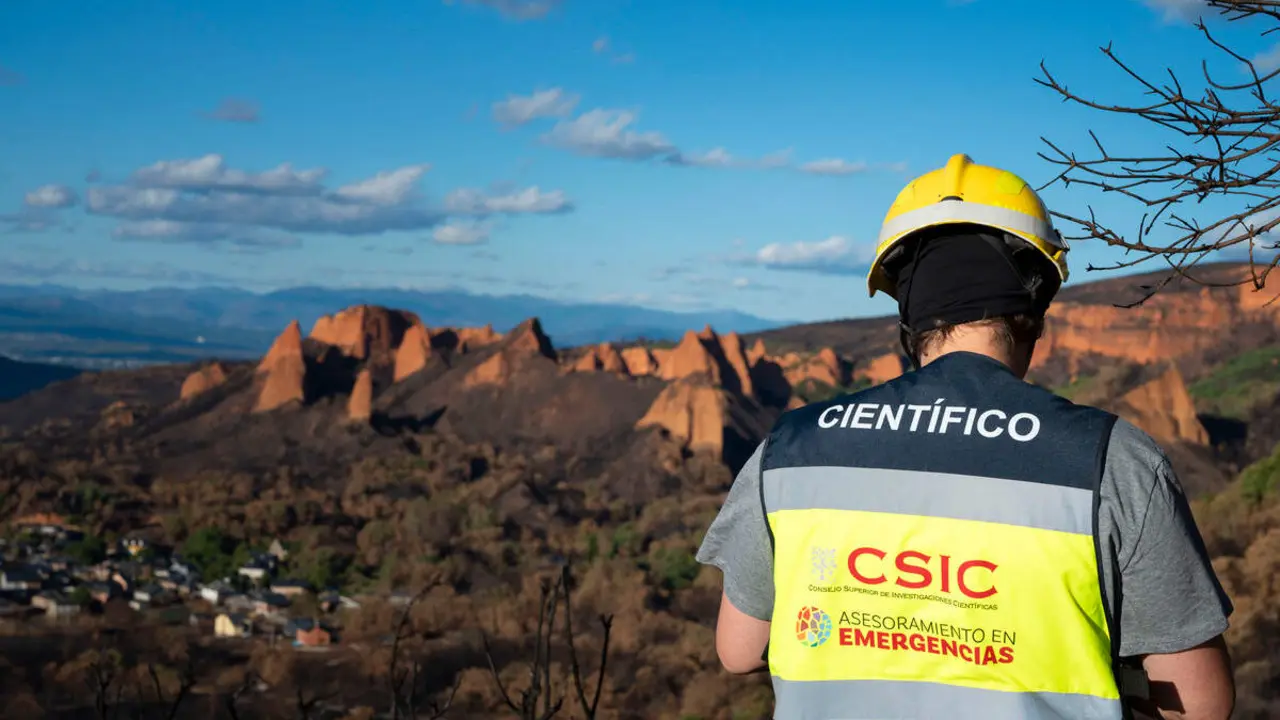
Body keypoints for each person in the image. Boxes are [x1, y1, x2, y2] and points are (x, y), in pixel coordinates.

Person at [695, 154, 1236, 720]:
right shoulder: (1113, 461)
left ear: (908, 315)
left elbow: (738, 652)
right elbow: (1200, 704)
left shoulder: (790, 449)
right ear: (1036, 309)